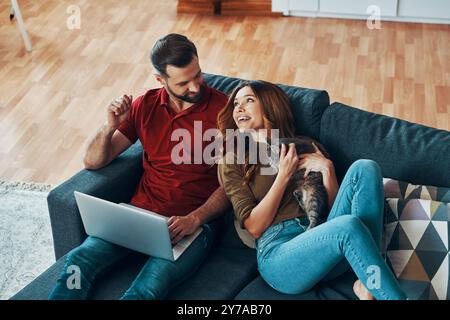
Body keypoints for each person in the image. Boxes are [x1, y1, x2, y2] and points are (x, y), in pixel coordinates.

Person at [49, 34, 230, 300]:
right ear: (161, 80)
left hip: (192, 226)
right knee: (78, 261)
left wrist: (196, 218)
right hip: (138, 217)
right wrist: (109, 126)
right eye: (183, 82)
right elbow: (93, 160)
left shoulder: (225, 112)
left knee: (146, 289)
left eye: (198, 75)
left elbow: (233, 183)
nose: (195, 87)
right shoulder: (145, 105)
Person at [217, 80, 407, 300]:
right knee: (348, 226)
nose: (238, 108)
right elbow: (254, 228)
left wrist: (327, 169)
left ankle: (366, 282)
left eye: (249, 100)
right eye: (236, 104)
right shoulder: (234, 159)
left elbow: (334, 213)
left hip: (325, 240)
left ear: (270, 105)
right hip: (279, 254)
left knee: (365, 167)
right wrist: (283, 175)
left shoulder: (305, 145)